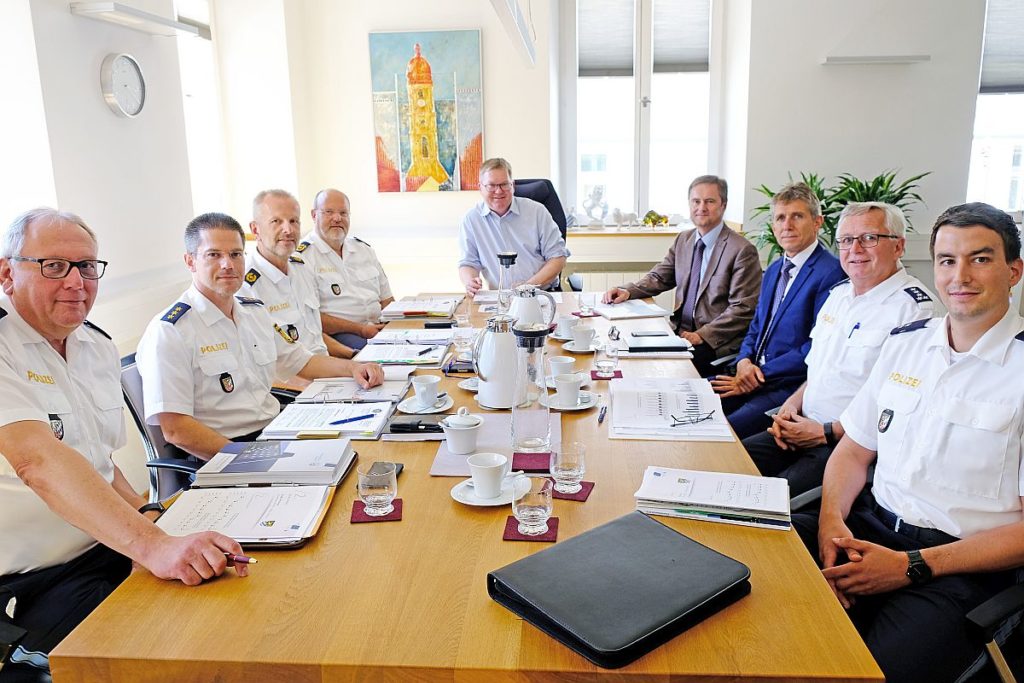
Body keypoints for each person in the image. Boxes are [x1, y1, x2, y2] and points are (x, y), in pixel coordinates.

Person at [0, 209, 247, 681]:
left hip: (104, 547)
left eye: (88, 266)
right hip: (30, 582)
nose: (77, 282)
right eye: (54, 266)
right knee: (151, 659)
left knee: (225, 606)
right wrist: (153, 545)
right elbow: (37, 460)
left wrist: (149, 516)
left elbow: (98, 462)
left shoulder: (92, 345)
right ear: (7, 273)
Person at [792, 202, 1024, 683]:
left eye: (980, 259)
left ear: (1014, 270)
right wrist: (831, 525)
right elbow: (854, 451)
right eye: (946, 260)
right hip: (865, 530)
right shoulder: (907, 344)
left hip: (955, 569)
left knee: (859, 674)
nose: (959, 275)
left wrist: (912, 566)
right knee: (752, 588)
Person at [136, 213, 384, 461]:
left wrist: (354, 367)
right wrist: (248, 457)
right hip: (223, 453)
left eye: (235, 254)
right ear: (190, 261)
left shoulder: (254, 311)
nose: (227, 265)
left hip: (275, 432)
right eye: (214, 255)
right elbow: (176, 430)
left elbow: (301, 362)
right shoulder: (170, 331)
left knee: (363, 452)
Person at [742, 202, 935, 495]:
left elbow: (899, 406)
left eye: (869, 238)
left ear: (899, 246)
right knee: (729, 465)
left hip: (846, 446)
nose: (855, 249)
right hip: (800, 426)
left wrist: (826, 432)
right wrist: (790, 406)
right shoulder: (839, 295)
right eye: (846, 240)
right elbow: (820, 371)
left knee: (764, 498)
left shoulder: (913, 310)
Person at [710, 182, 845, 439]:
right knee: (690, 398)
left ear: (818, 222)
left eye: (797, 216)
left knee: (721, 431)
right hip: (750, 375)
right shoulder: (773, 270)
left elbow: (815, 348)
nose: (787, 225)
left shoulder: (832, 273)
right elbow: (756, 326)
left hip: (786, 386)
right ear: (773, 226)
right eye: (780, 218)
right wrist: (743, 362)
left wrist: (757, 374)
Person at [602, 175, 762, 376]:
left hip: (714, 342)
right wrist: (627, 291)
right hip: (679, 331)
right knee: (626, 350)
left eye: (710, 201)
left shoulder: (741, 250)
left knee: (660, 371)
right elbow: (660, 277)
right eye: (696, 201)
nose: (701, 207)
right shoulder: (684, 240)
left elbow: (742, 309)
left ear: (723, 205)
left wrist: (701, 335)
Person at [242, 189, 350, 362]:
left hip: (326, 372)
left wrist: (353, 356)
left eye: (293, 221)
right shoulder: (245, 287)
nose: (288, 230)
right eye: (276, 221)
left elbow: (315, 338)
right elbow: (265, 368)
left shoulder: (302, 267)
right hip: (295, 384)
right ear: (255, 229)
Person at [298, 189, 394, 354]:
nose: (337, 218)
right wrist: (361, 329)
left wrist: (399, 325)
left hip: (378, 326)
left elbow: (387, 300)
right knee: (382, 354)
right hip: (340, 335)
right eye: (329, 212)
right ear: (314, 215)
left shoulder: (364, 249)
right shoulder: (302, 258)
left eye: (343, 213)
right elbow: (311, 319)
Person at [458, 158, 570, 297]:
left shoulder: (536, 212)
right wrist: (470, 281)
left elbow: (558, 258)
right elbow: (468, 263)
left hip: (541, 294)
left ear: (513, 185)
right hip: (499, 298)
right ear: (480, 187)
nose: (498, 191)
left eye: (504, 184)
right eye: (491, 185)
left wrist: (527, 287)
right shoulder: (471, 220)